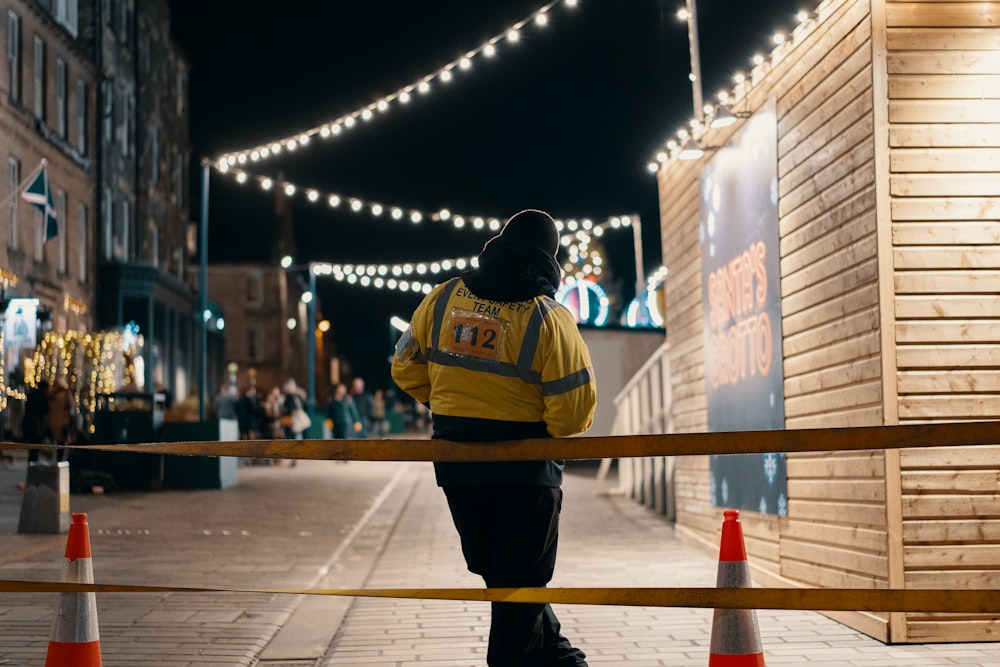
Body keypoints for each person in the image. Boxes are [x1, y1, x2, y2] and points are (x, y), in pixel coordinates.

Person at [391, 208, 597, 666]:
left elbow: (404, 366)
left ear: (497, 243)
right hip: (525, 474)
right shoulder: (548, 318)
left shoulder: (442, 299)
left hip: (458, 467)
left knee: (507, 581)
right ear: (551, 259)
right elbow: (572, 417)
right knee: (518, 588)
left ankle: (558, 656)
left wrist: (449, 404)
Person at [21, 380, 50, 464]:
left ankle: (31, 465)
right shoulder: (42, 397)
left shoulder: (31, 394)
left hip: (27, 423)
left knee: (32, 448)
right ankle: (33, 466)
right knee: (35, 448)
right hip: (36, 426)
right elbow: (44, 412)